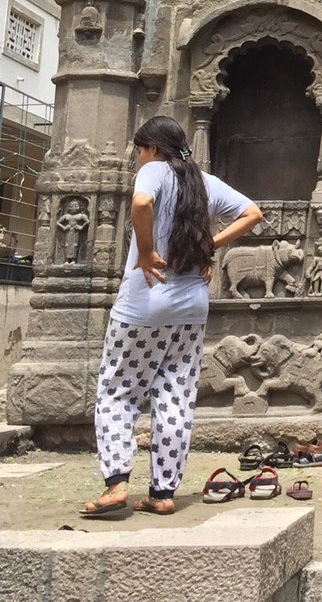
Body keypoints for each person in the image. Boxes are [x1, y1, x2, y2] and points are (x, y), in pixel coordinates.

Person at [81, 116, 261, 518]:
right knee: (175, 396)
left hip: (142, 307)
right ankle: (163, 493)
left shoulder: (154, 172)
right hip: (191, 310)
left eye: (139, 150)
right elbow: (253, 212)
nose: (138, 157)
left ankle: (116, 484)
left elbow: (141, 203)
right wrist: (208, 248)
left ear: (151, 149)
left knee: (118, 392)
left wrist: (145, 252)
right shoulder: (203, 182)